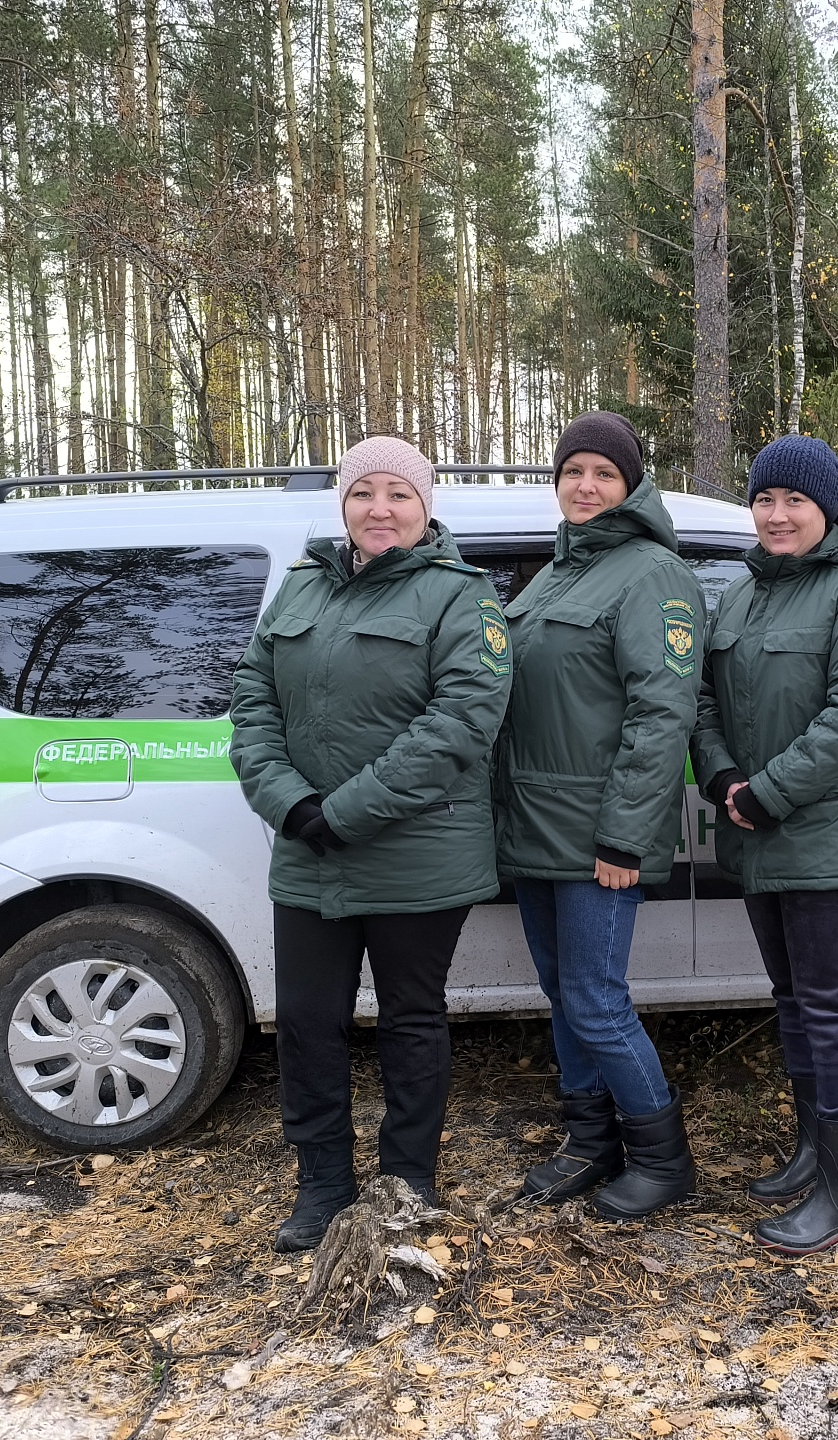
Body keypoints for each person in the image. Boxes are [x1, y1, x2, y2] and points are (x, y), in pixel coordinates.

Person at [230, 436, 513, 1252]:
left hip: (418, 854)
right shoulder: (299, 586)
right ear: (343, 505)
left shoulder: (462, 599)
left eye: (398, 494)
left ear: (426, 508)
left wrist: (343, 810)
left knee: (411, 1020)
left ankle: (407, 1180)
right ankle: (321, 1183)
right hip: (308, 851)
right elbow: (252, 704)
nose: (379, 509)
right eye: (364, 494)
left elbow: (460, 722)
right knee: (309, 1022)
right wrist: (292, 805)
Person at [690, 435, 838, 1256]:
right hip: (756, 835)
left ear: (828, 508)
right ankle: (814, 1150)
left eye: (795, 502)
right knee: (792, 1004)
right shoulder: (741, 595)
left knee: (829, 1006)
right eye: (765, 500)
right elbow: (703, 701)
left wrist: (768, 793)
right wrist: (721, 781)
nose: (778, 517)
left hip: (826, 832)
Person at [496, 412, 704, 1221]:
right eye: (572, 471)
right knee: (565, 995)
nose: (585, 486)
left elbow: (662, 713)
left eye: (603, 474)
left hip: (598, 837)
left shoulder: (652, 573)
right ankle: (589, 1143)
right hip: (538, 828)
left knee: (595, 998)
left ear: (630, 485)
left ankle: (664, 1158)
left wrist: (623, 833)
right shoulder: (555, 573)